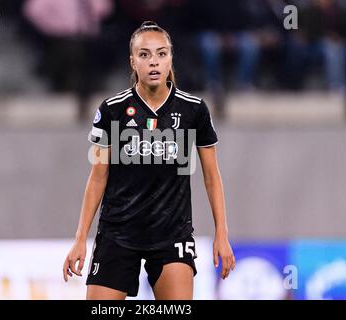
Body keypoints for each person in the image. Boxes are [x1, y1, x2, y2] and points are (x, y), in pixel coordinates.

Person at [63, 21, 235, 300]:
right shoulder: (111, 111)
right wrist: (80, 238)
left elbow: (212, 177)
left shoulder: (194, 110)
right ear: (133, 62)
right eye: (144, 55)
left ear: (170, 59)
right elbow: (97, 176)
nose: (153, 62)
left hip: (171, 236)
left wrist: (222, 234)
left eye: (161, 53)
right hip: (117, 234)